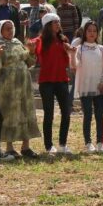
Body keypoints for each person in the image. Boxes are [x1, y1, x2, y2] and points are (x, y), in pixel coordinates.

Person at [0, 20, 41, 158]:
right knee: (9, 114)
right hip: (7, 85)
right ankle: (9, 147)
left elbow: (30, 62)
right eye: (7, 29)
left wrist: (31, 51)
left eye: (12, 28)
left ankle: (26, 146)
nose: (10, 31)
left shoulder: (18, 42)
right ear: (0, 30)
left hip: (24, 83)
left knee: (26, 111)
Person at [35, 12, 74, 154]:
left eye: (58, 22)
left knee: (66, 112)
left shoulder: (63, 40)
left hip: (62, 80)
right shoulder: (40, 40)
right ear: (47, 25)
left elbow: (66, 60)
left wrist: (69, 50)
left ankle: (63, 144)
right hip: (46, 82)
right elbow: (32, 47)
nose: (58, 24)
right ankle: (49, 145)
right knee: (49, 114)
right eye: (55, 22)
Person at [73, 21, 103, 153]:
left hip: (98, 86)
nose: (92, 33)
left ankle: (100, 142)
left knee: (99, 115)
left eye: (94, 31)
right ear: (85, 33)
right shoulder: (79, 48)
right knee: (88, 114)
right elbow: (75, 65)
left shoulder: (101, 49)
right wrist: (71, 55)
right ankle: (88, 143)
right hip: (85, 86)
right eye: (89, 31)